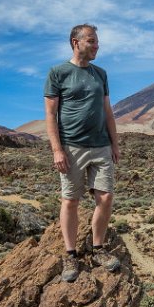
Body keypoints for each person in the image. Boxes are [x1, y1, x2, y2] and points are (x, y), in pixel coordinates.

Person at [44, 24, 121, 282]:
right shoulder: (58, 73)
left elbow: (108, 111)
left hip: (101, 145)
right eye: (91, 41)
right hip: (71, 146)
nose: (97, 45)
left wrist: (115, 143)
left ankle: (98, 248)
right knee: (71, 200)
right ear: (76, 43)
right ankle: (71, 254)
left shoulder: (101, 74)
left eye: (97, 41)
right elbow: (50, 114)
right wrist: (57, 149)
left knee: (106, 196)